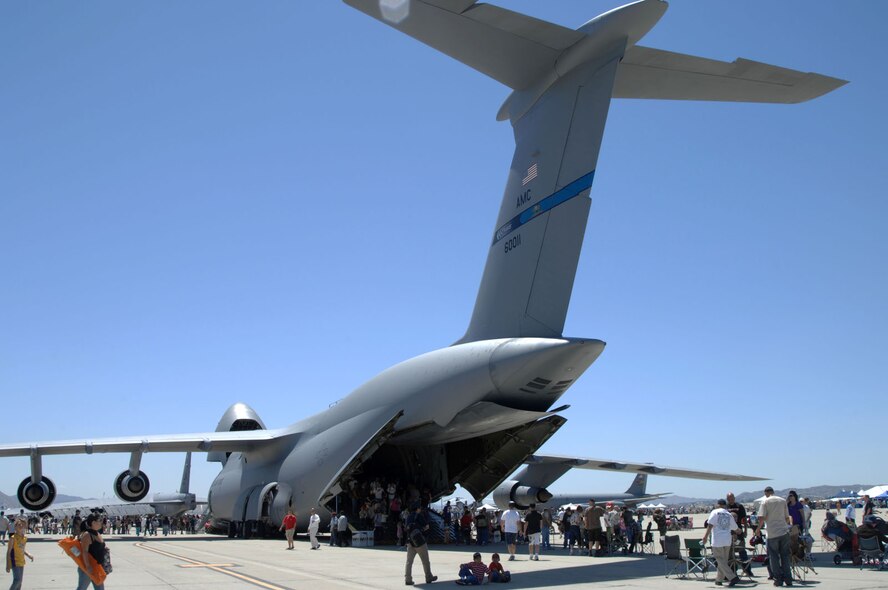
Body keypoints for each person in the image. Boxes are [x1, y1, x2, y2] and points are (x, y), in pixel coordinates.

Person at [753, 486, 793, 587]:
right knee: (785, 556)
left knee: (774, 557)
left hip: (772, 533)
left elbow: (761, 518)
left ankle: (778, 580)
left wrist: (757, 530)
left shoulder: (765, 502)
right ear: (773, 492)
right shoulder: (782, 500)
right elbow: (787, 518)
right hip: (784, 532)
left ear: (766, 493)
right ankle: (788, 579)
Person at [701, 499, 739, 587]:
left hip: (718, 540)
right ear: (725, 505)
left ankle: (732, 577)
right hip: (727, 540)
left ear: (718, 505)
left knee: (719, 560)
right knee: (724, 561)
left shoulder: (715, 512)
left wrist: (705, 536)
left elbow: (710, 525)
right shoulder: (729, 514)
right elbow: (734, 527)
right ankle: (719, 579)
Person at [404, 504, 437, 586]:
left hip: (410, 541)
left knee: (409, 562)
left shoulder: (408, 517)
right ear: (417, 509)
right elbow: (427, 526)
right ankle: (428, 577)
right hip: (420, 542)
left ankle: (408, 579)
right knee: (425, 561)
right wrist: (422, 530)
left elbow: (406, 528)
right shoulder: (419, 516)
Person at [77, 514, 107, 590]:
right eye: (100, 521)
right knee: (82, 588)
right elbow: (85, 551)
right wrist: (87, 566)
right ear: (93, 522)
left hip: (97, 568)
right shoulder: (87, 535)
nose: (101, 523)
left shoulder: (97, 533)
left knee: (100, 588)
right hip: (89, 568)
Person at [6, 519, 35, 590]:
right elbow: (8, 551)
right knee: (17, 580)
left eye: (22, 525)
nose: (21, 526)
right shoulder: (13, 538)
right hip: (14, 562)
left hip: (21, 561)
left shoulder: (24, 538)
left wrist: (28, 555)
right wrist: (8, 564)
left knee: (20, 582)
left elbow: (22, 549)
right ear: (15, 527)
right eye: (19, 525)